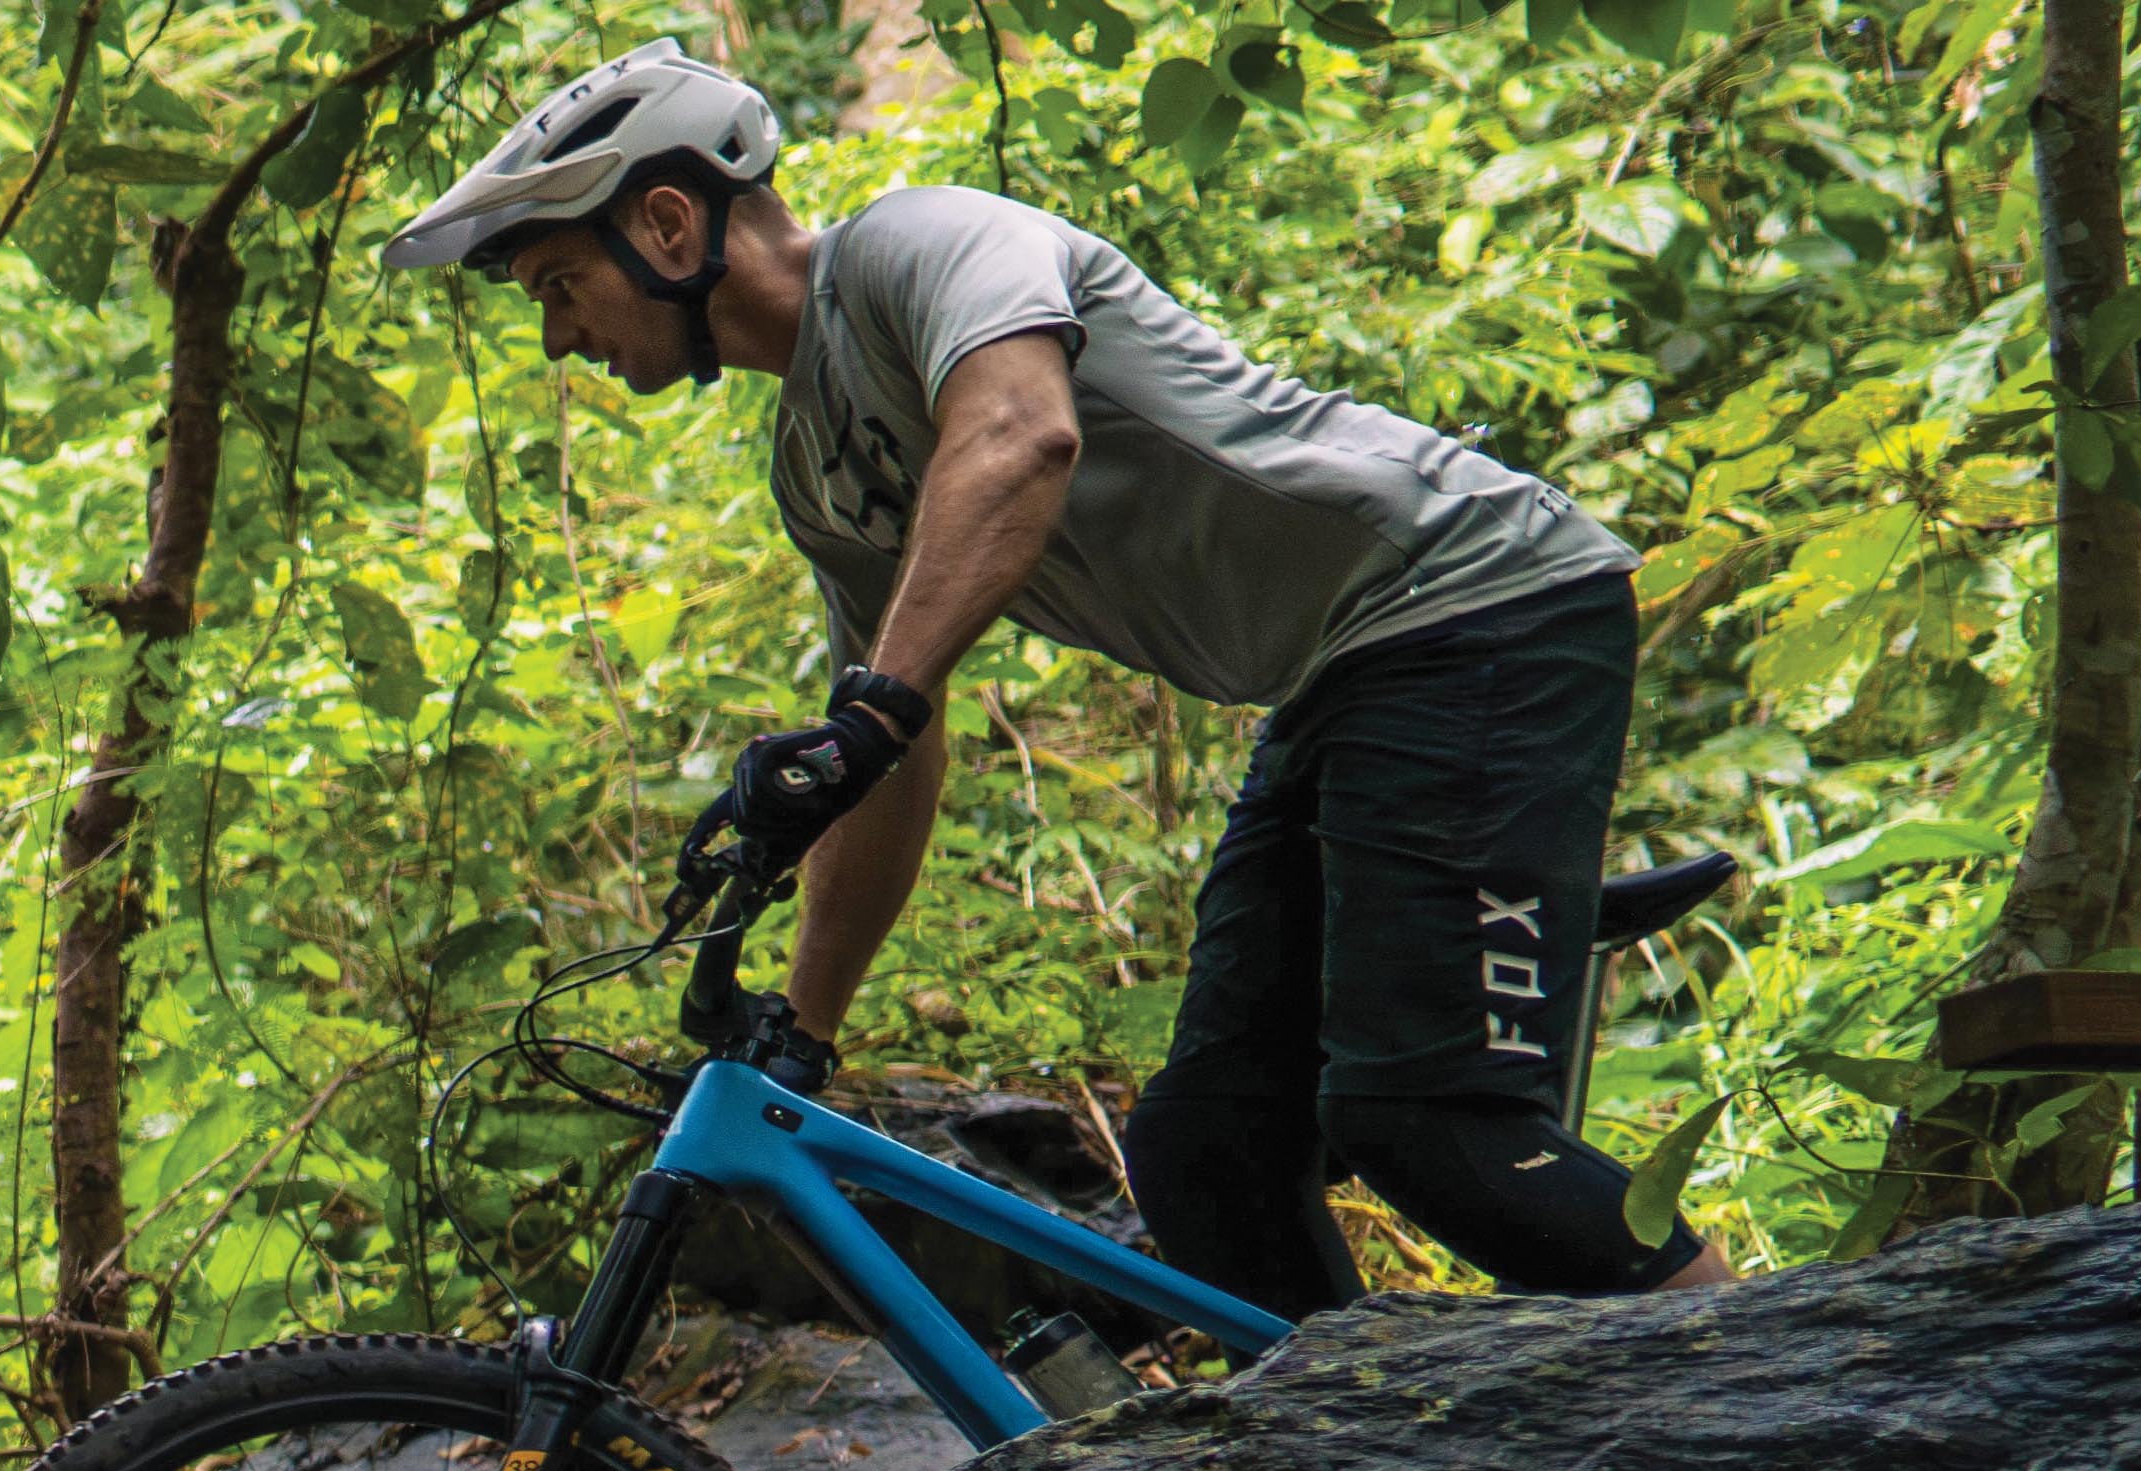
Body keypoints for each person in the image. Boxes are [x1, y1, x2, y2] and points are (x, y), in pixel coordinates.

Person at [388, 41, 1728, 1311]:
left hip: (1479, 598)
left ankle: (1791, 1397)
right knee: (1207, 1151)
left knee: (1428, 1128)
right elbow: (895, 759)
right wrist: (802, 1029)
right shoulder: (815, 469)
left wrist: (871, 710)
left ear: (669, 228)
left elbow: (1021, 436)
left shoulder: (924, 245)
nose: (562, 338)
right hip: (1346, 676)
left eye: (562, 285)